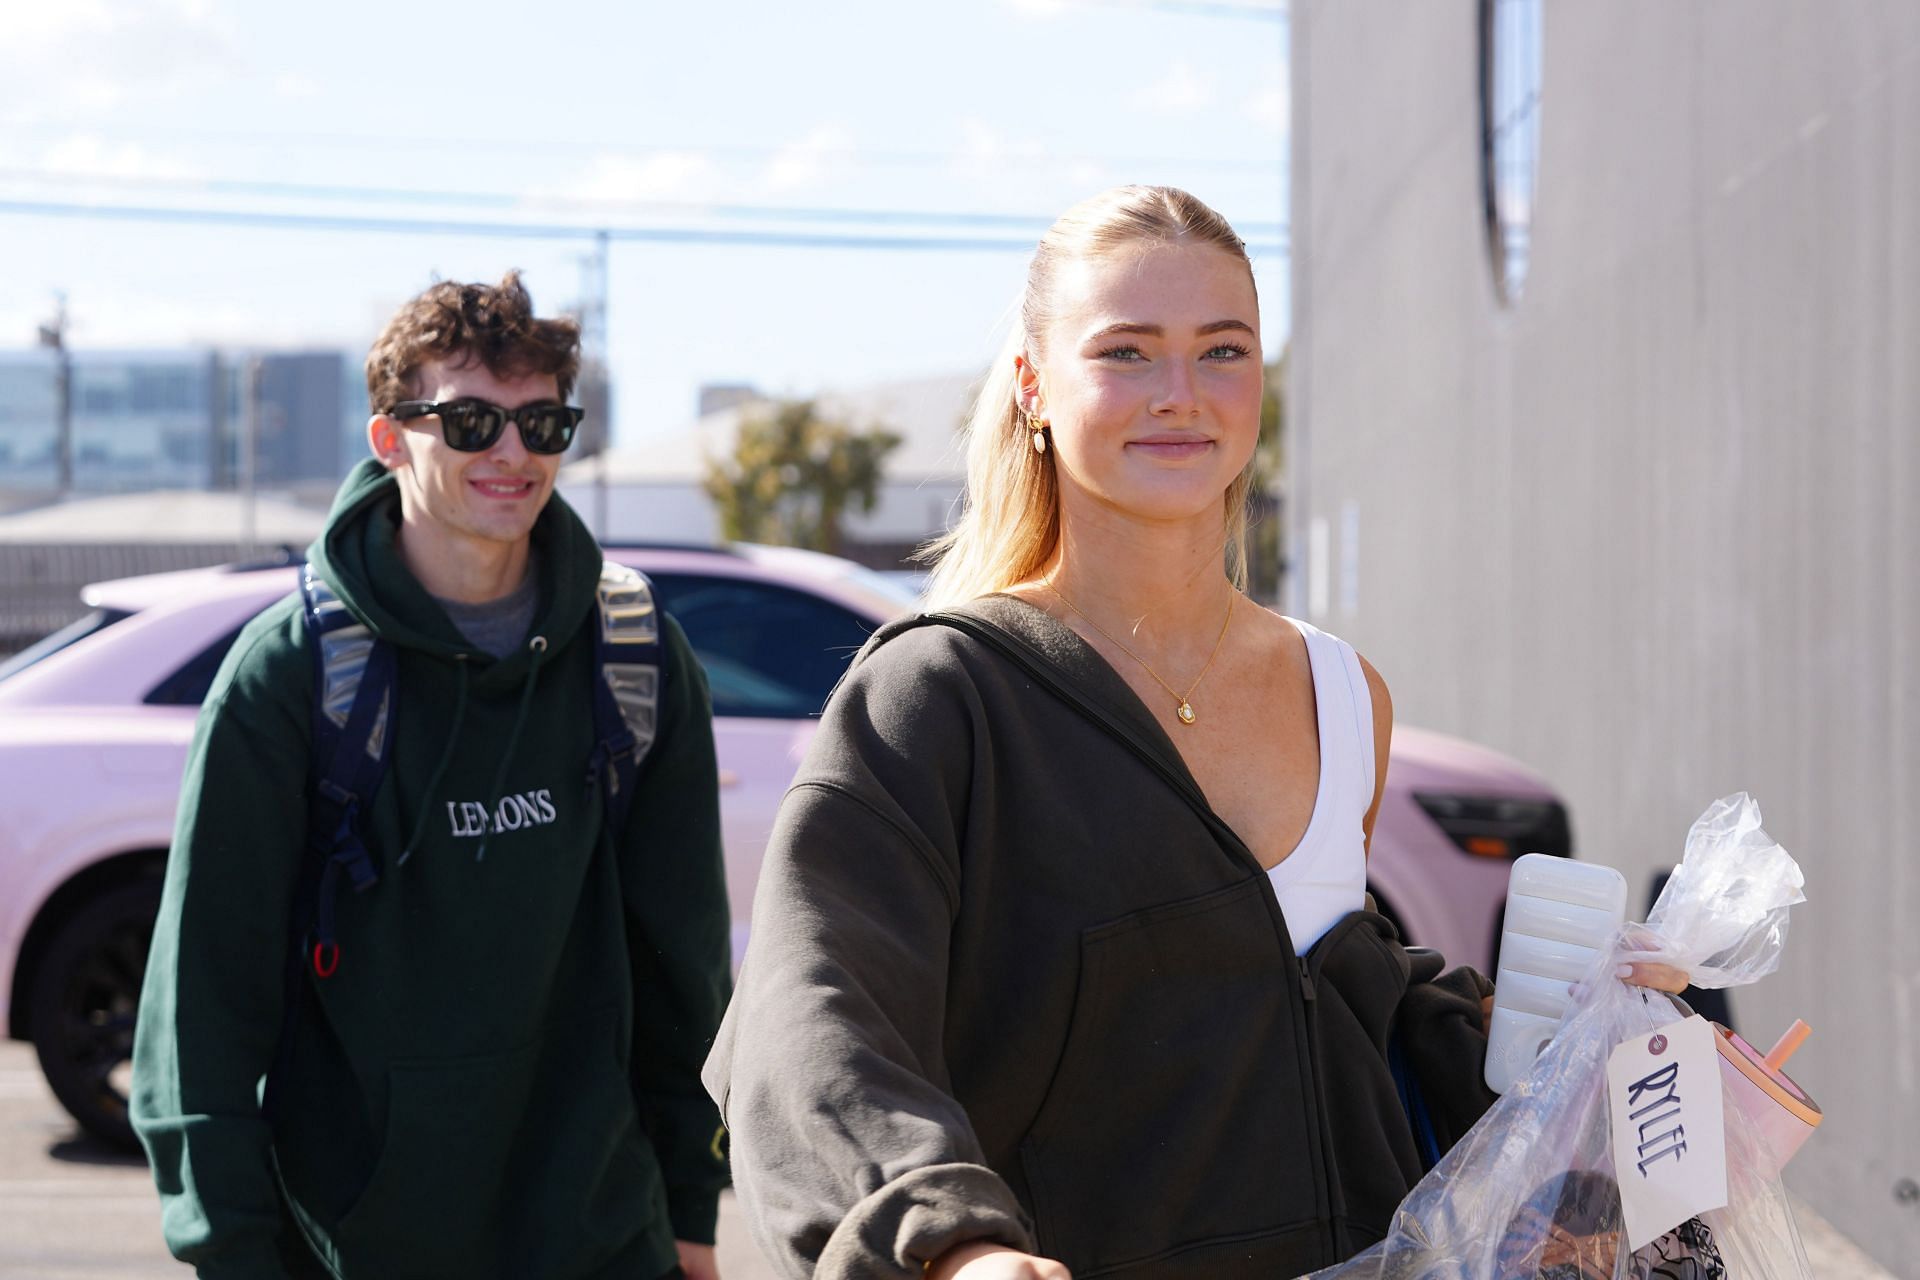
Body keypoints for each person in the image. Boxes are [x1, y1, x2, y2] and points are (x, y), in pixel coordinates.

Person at [703, 187, 1686, 1280]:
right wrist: (948, 1245)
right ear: (1034, 386)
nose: (1180, 395)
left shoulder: (1342, 687)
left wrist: (1586, 1050)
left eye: (1223, 350)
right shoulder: (937, 692)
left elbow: (1314, 996)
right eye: (1126, 352)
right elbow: (815, 1013)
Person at [132, 272, 731, 1279]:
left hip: (602, 1240)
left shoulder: (633, 656)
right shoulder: (289, 676)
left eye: (542, 422)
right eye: (468, 421)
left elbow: (684, 966)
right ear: (388, 437)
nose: (511, 452)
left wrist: (690, 1209)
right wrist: (231, 1251)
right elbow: (201, 1013)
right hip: (359, 1246)